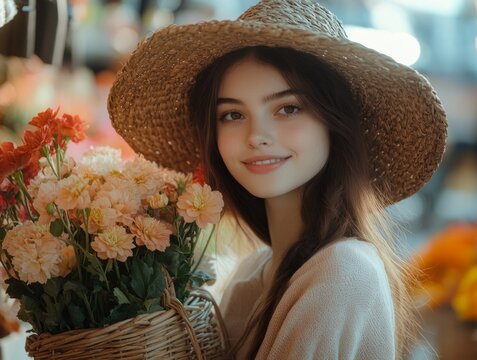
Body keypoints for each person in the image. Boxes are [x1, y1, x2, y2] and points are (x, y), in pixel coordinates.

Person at [107, 0, 447, 359]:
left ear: (335, 123)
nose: (257, 135)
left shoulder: (344, 272)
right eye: (233, 114)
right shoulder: (254, 275)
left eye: (288, 108)